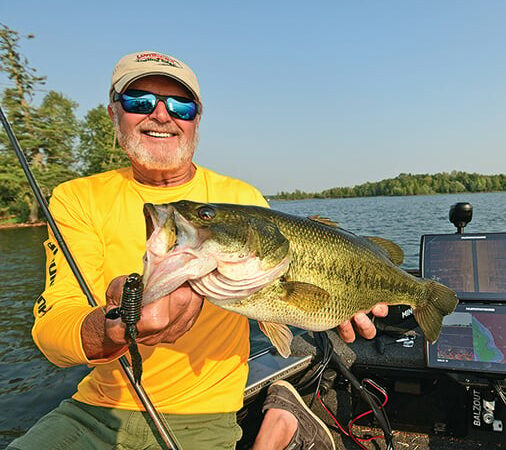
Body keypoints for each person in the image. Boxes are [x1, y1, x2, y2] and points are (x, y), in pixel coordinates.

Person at [8, 51, 388, 450]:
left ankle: (284, 420)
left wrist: (335, 298)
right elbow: (53, 328)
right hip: (96, 410)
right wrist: (113, 327)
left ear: (196, 119)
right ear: (113, 113)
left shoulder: (241, 198)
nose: (161, 115)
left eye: (180, 105)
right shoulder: (76, 198)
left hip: (204, 416)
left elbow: (276, 298)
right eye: (139, 101)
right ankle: (282, 419)